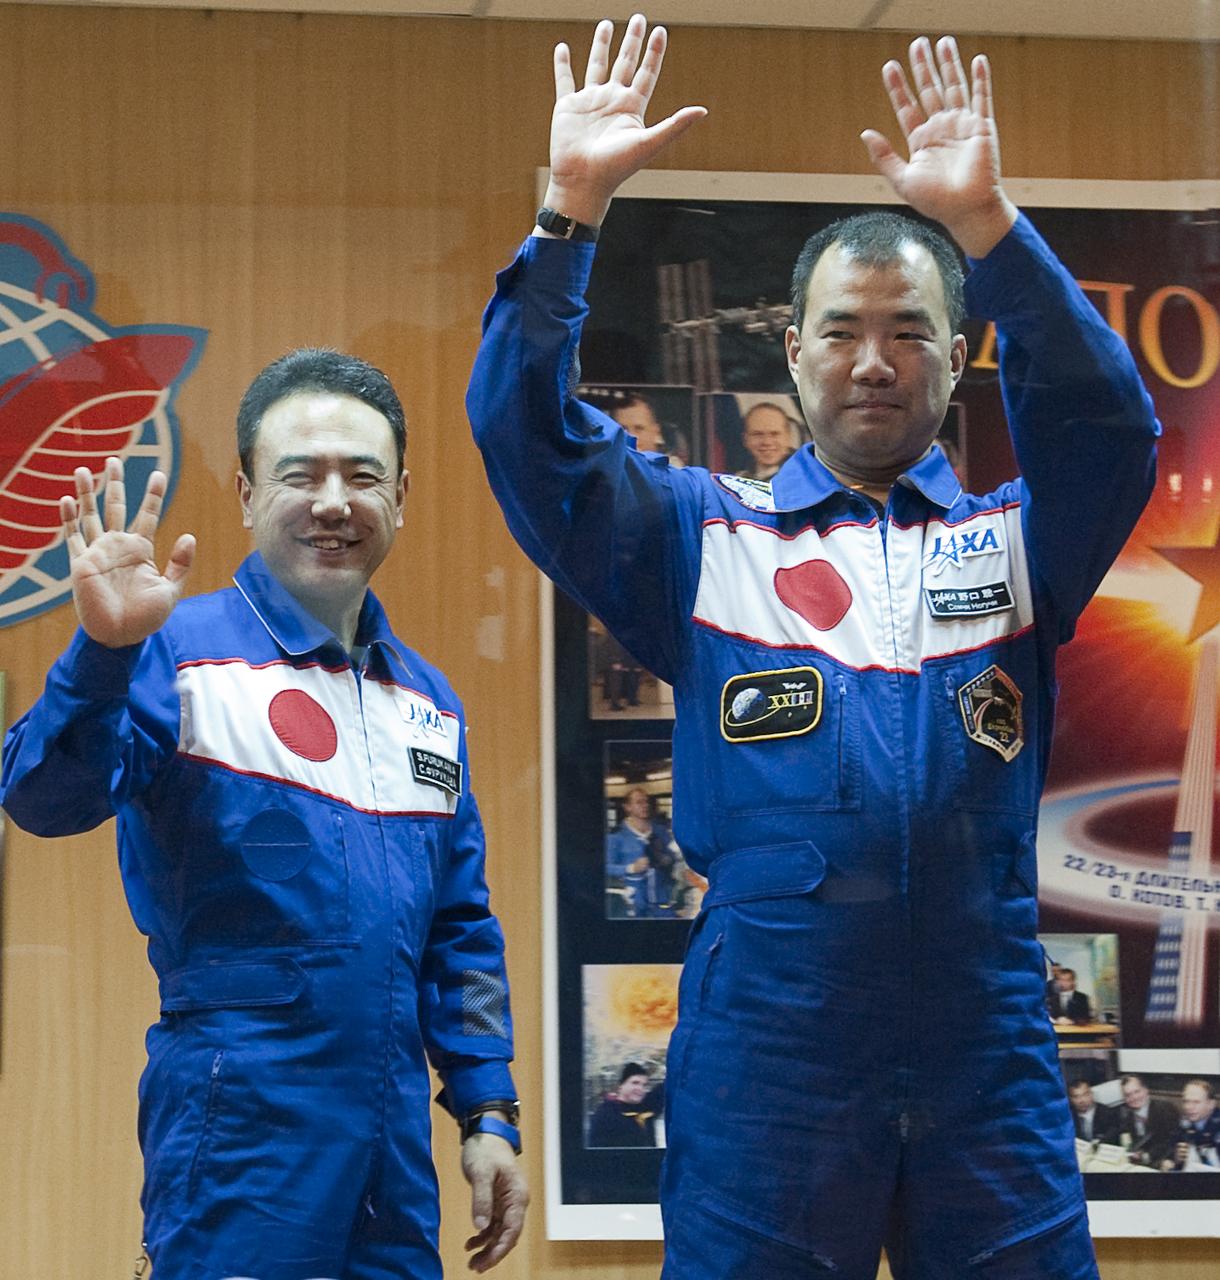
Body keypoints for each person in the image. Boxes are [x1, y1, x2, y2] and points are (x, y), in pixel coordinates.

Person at [468, 15, 1157, 1279]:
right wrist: (568, 209)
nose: (874, 361)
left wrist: (992, 231)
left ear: (958, 361)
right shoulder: (699, 537)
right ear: (790, 352)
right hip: (769, 1047)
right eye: (841, 330)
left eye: (908, 331)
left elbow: (1110, 426)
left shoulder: (1018, 543)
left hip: (982, 1036)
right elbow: (525, 438)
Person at [0, 350, 528, 1279]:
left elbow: (463, 931)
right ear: (247, 494)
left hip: (393, 1141)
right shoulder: (177, 652)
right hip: (237, 1132)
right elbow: (43, 800)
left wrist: (488, 1110)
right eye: (301, 474)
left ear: (400, 496)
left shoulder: (429, 704)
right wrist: (99, 656)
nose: (334, 501)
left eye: (363, 476)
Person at [605, 785, 681, 917]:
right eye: (639, 802)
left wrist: (666, 859)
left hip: (662, 900)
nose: (645, 805)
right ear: (627, 807)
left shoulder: (661, 831)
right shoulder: (616, 837)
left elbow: (675, 857)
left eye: (646, 801)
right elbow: (606, 867)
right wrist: (631, 868)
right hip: (632, 903)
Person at [588, 1061, 667, 1147]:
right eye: (635, 1083)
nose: (640, 1088)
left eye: (644, 1085)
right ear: (621, 1085)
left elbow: (670, 1086)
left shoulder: (646, 1106)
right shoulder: (605, 1114)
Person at [1118, 1075, 1179, 1169]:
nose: (1134, 1097)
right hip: (1138, 1164)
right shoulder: (1127, 1117)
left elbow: (1170, 1142)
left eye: (1137, 1091)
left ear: (1146, 1090)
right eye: (1128, 1095)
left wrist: (1147, 1156)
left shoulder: (1165, 1109)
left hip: (1163, 1162)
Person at [737, 401, 796, 480]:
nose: (766, 442)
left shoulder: (805, 480)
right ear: (745, 439)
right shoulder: (738, 481)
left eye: (774, 434)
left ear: (788, 437)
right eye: (758, 434)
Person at [1172, 1078, 1220, 1170]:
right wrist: (1177, 1160)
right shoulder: (1184, 1124)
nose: (1189, 1107)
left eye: (1196, 1102)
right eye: (1186, 1101)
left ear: (1211, 1104)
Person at [1067, 1080, 1120, 1145]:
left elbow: (1113, 1140)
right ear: (1070, 1099)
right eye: (1076, 1097)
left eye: (1085, 1095)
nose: (1081, 1100)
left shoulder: (1108, 1114)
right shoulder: (1067, 1117)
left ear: (1091, 1094)